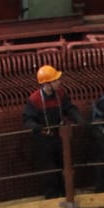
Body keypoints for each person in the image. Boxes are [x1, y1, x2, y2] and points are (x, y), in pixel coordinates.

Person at [22, 64, 82, 197]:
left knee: (64, 164)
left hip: (59, 136)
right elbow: (28, 120)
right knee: (48, 167)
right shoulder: (34, 99)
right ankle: (51, 194)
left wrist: (78, 118)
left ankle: (66, 192)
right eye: (55, 80)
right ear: (47, 84)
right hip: (44, 139)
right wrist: (39, 128)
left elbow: (69, 108)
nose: (59, 82)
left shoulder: (60, 94)